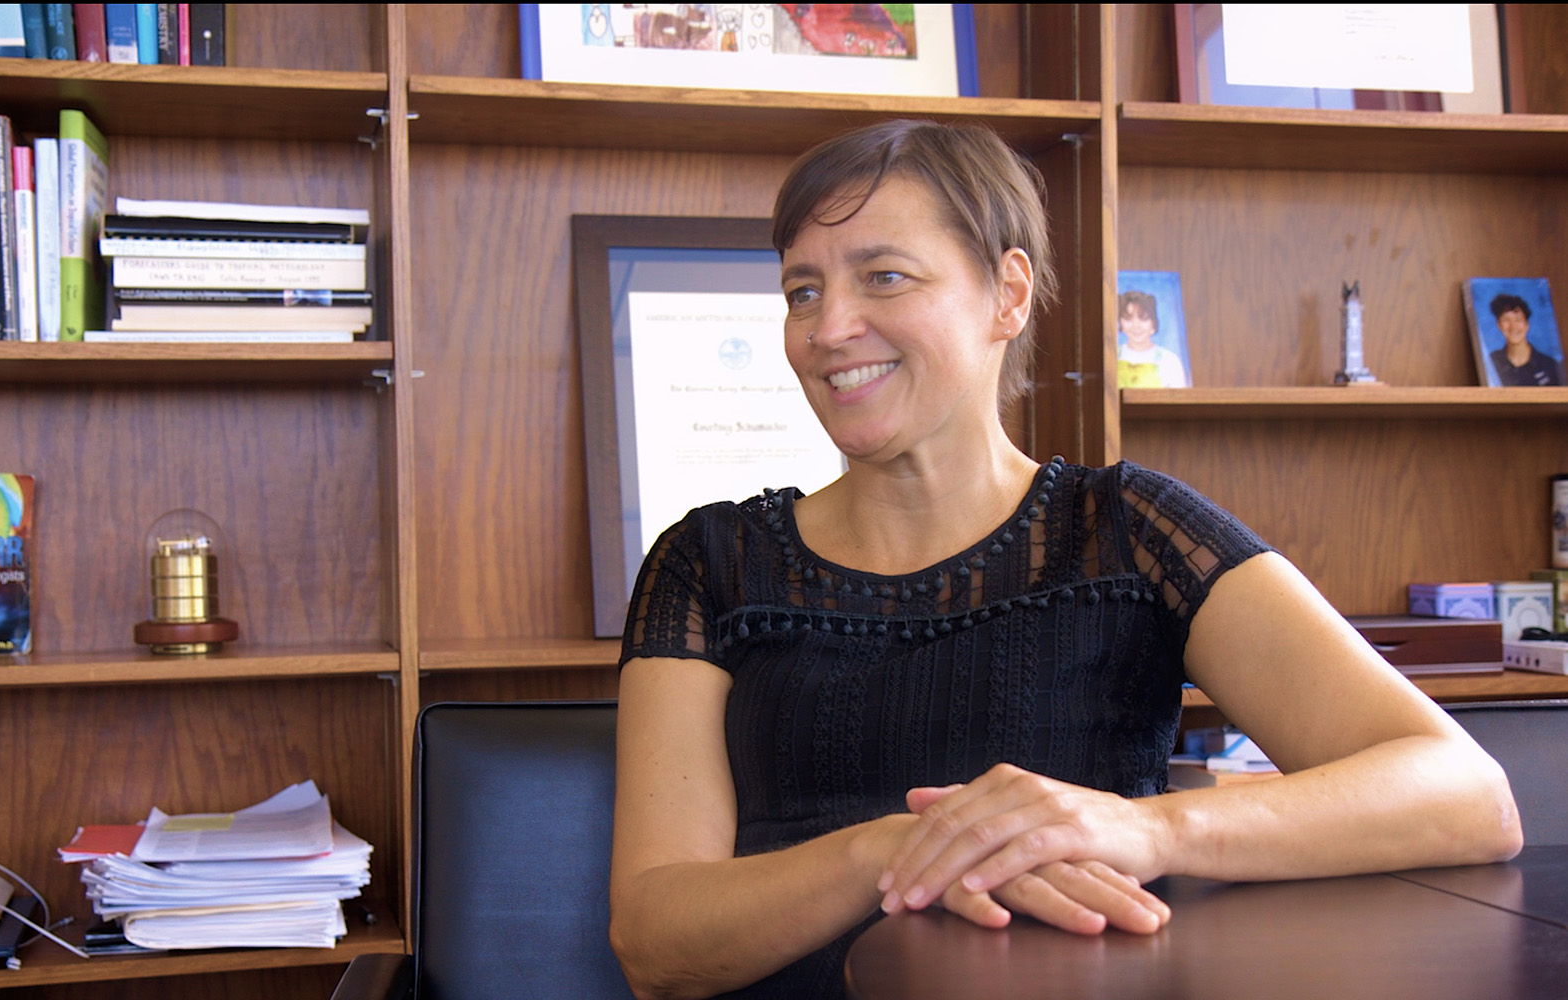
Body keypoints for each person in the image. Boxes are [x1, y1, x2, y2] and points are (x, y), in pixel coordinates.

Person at [608, 119, 1521, 1000]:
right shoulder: (707, 563)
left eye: (883, 277)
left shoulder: (1129, 528)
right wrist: (893, 850)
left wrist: (1142, 829)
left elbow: (1467, 797)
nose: (828, 327)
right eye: (802, 290)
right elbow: (655, 942)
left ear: (1008, 295)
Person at [1486, 293, 1564, 386]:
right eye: (1506, 320)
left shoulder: (1551, 366)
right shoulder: (1490, 363)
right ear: (1498, 325)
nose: (1513, 327)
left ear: (1527, 324)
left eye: (1518, 320)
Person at [1117, 288, 1189, 387]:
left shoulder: (1169, 360)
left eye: (1143, 318)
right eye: (1128, 318)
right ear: (1120, 322)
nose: (1136, 325)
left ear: (1153, 322)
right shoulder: (1111, 357)